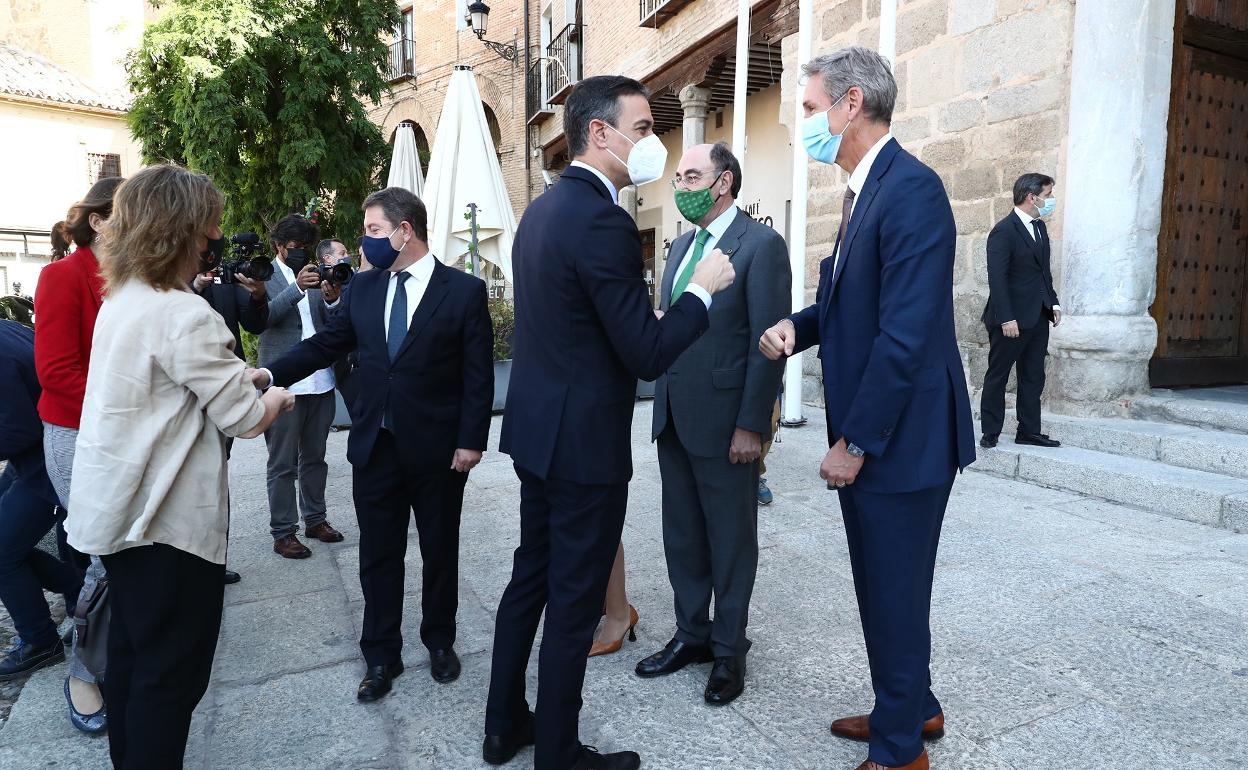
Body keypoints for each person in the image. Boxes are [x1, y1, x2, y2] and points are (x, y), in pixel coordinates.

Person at [483, 75, 735, 770]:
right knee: (572, 600)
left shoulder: (543, 211)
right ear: (601, 133)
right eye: (644, 126)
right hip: (582, 444)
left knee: (529, 578)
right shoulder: (603, 219)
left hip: (539, 431)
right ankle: (558, 753)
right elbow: (647, 353)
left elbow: (575, 323)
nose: (652, 141)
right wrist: (700, 294)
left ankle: (504, 724)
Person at [759, 47, 975, 770]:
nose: (805, 123)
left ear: (853, 103)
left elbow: (906, 332)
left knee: (893, 591)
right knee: (887, 586)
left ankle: (899, 751)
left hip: (901, 439)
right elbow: (855, 298)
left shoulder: (910, 188)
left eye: (812, 107)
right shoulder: (864, 190)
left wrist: (853, 441)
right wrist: (802, 326)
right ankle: (914, 707)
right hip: (885, 433)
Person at [65, 163, 295, 769]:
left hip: (118, 514)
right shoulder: (184, 312)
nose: (210, 244)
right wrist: (274, 394)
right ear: (178, 232)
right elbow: (245, 418)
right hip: (165, 523)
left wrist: (233, 380)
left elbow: (166, 386)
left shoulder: (125, 299)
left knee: (135, 661)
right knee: (172, 678)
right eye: (204, 232)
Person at [251, 186, 494, 702]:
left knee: (438, 551)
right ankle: (380, 655)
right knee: (378, 557)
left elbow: (478, 375)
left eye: (374, 231)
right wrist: (272, 372)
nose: (365, 244)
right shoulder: (363, 290)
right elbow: (324, 345)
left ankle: (440, 641)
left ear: (405, 232)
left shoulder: (463, 292)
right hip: (376, 448)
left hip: (438, 451)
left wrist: (472, 440)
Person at [635, 141, 790, 706]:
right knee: (682, 534)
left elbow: (769, 343)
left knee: (730, 540)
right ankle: (691, 634)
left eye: (691, 174)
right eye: (678, 175)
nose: (680, 183)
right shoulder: (679, 248)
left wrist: (754, 424)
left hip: (728, 424)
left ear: (723, 181)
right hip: (674, 414)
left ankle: (728, 651)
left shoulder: (762, 245)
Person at [34, 175, 123, 734]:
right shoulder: (61, 277)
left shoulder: (137, 277)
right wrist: (131, 403)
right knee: (99, 553)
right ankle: (83, 672)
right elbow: (57, 372)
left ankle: (123, 648)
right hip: (75, 433)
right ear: (97, 221)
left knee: (130, 549)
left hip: (128, 433)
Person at [259, 215, 346, 558]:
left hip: (320, 381)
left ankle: (316, 519)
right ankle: (283, 532)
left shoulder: (316, 272)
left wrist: (332, 298)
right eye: (294, 247)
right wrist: (296, 287)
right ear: (279, 245)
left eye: (305, 247)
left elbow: (331, 324)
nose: (300, 253)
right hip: (283, 385)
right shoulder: (263, 275)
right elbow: (261, 319)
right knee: (282, 463)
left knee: (316, 457)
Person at [0, 319, 82, 680]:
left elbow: (20, 427)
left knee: (2, 554)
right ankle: (79, 587)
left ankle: (40, 641)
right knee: (6, 548)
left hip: (47, 464)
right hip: (40, 458)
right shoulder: (6, 327)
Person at [193, 246, 272, 584]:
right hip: (185, 393)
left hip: (224, 387)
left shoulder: (226, 279)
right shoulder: (171, 279)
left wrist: (258, 296)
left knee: (216, 475)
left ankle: (214, 560)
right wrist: (194, 287)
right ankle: (189, 560)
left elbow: (254, 324)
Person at [979, 173, 1062, 450]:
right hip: (1010, 319)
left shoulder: (1040, 228)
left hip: (1037, 315)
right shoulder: (1004, 231)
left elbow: (1042, 273)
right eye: (1047, 195)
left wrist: (1053, 303)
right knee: (998, 374)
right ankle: (990, 431)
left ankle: (1029, 431)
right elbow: (997, 278)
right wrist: (1006, 317)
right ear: (1031, 197)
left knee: (1033, 375)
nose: (1050, 201)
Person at [315, 238, 360, 411]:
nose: (347, 257)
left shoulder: (355, 278)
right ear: (328, 259)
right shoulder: (319, 283)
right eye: (342, 254)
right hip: (347, 368)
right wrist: (332, 300)